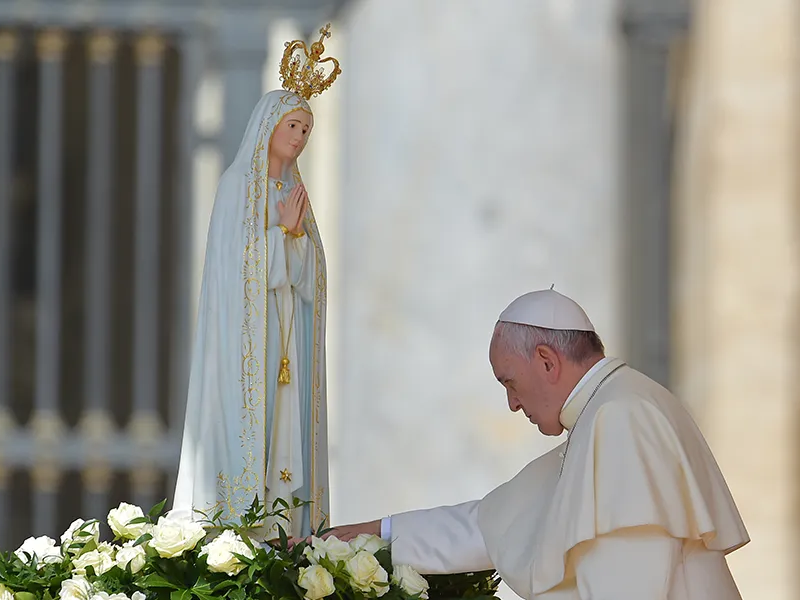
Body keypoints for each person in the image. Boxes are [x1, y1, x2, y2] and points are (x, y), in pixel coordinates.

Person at [327, 288, 750, 599]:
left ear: (547, 360)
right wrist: (375, 535)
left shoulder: (621, 418)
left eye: (509, 382)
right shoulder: (613, 407)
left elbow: (631, 577)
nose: (512, 403)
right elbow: (495, 522)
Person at [172, 26, 341, 539]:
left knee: (287, 429)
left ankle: (286, 525)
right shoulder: (234, 187)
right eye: (293, 124)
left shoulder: (296, 193)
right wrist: (280, 236)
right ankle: (241, 527)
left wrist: (294, 238)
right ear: (268, 123)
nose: (300, 137)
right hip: (249, 342)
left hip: (288, 333)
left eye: (307, 130)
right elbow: (234, 270)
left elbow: (312, 275)